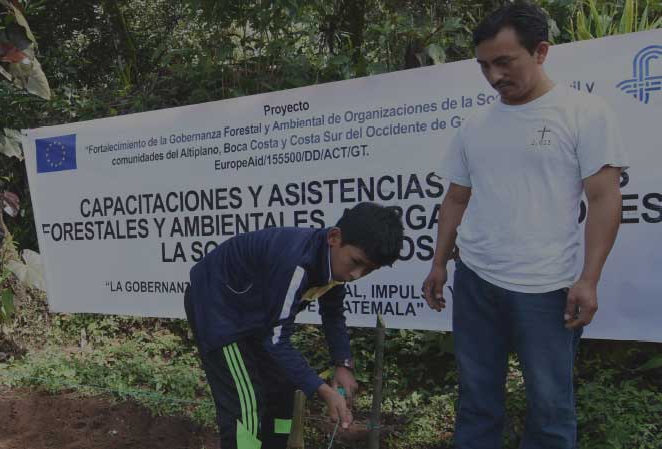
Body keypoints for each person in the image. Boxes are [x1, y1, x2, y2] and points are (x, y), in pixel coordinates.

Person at [421, 3, 627, 448]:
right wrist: (438, 264)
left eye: (504, 62)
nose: (494, 76)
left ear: (541, 51)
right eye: (484, 66)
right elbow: (456, 198)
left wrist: (589, 279)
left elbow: (605, 198)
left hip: (547, 288)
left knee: (550, 410)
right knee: (476, 401)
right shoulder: (475, 125)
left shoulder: (584, 112)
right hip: (476, 281)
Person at [185, 202, 404, 449]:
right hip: (219, 306)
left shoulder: (333, 262)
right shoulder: (296, 264)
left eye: (368, 270)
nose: (356, 275)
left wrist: (342, 364)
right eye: (355, 262)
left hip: (254, 311)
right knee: (246, 404)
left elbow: (332, 313)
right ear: (334, 237)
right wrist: (323, 390)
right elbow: (277, 340)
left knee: (283, 387)